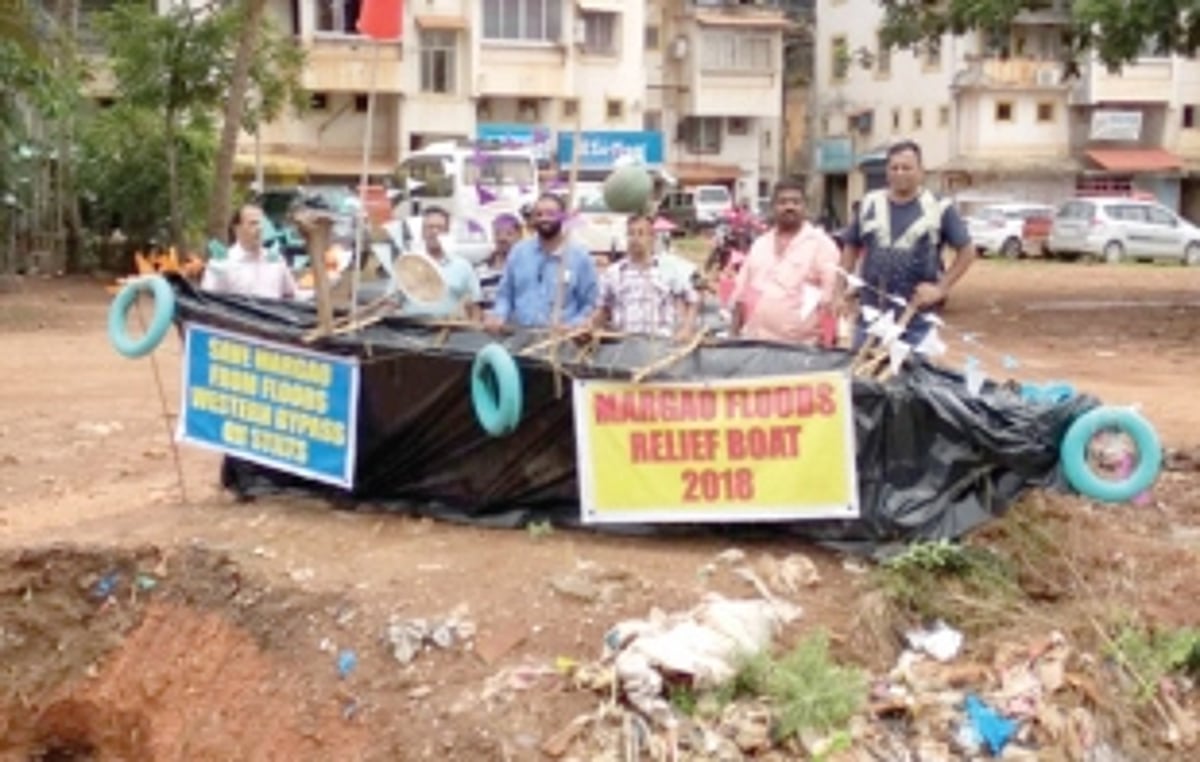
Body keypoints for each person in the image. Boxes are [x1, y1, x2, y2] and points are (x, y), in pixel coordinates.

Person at [838, 140, 976, 346]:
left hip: (916, 320)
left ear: (921, 171)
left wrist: (941, 288)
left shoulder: (939, 208)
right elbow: (850, 246)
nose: (900, 173)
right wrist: (840, 290)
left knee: (911, 374)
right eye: (894, 168)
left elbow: (967, 251)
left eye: (907, 168)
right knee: (862, 374)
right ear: (887, 172)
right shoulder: (869, 203)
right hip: (870, 316)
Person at [729, 179, 840, 345]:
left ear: (805, 207)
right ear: (773, 207)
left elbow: (831, 299)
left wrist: (829, 343)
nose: (790, 207)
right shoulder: (760, 244)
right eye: (783, 202)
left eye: (796, 202)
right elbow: (741, 293)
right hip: (755, 344)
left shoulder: (821, 244)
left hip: (801, 349)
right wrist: (733, 335)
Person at [485, 193, 599, 331]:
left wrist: (574, 325)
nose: (544, 218)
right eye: (539, 214)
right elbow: (505, 295)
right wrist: (498, 315)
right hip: (520, 338)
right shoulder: (519, 253)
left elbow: (590, 303)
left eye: (551, 214)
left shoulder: (580, 257)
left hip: (562, 342)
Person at [592, 214, 699, 339]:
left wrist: (687, 329)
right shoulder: (613, 273)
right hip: (623, 344)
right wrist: (590, 326)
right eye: (631, 233)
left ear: (652, 237)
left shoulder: (668, 269)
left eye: (641, 233)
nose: (635, 238)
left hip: (661, 343)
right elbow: (603, 309)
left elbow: (693, 300)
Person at [396, 206, 481, 321]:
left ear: (447, 232)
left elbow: (474, 306)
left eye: (440, 228)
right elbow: (392, 302)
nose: (434, 232)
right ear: (422, 232)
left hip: (448, 332)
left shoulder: (463, 266)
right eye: (429, 227)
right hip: (411, 331)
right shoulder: (406, 263)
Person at [200, 204, 297, 300]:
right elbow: (208, 303)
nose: (260, 228)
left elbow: (291, 295)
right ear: (237, 229)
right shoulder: (220, 264)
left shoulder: (276, 261)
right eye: (253, 223)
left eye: (262, 223)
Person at [476, 213, 522, 312]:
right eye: (497, 233)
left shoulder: (527, 268)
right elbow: (476, 305)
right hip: (487, 325)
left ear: (519, 236)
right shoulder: (480, 270)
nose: (502, 239)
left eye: (509, 234)